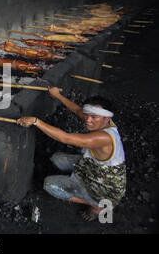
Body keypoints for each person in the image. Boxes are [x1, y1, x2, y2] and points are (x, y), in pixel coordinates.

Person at [17, 87, 126, 221]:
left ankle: (98, 205)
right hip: (94, 168)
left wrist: (35, 121)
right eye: (87, 115)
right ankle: (80, 184)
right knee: (57, 159)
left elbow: (65, 138)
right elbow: (77, 110)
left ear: (107, 118)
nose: (88, 120)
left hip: (106, 187)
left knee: (49, 185)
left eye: (93, 117)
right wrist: (58, 96)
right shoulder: (104, 122)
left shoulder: (104, 138)